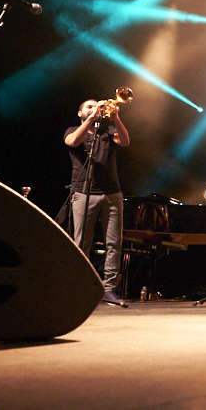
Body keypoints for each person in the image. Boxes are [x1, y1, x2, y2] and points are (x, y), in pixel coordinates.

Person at [65, 99, 130, 305]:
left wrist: (116, 117)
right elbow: (73, 142)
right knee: (82, 243)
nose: (94, 109)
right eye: (89, 107)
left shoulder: (108, 132)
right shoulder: (74, 129)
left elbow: (126, 141)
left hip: (112, 194)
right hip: (83, 193)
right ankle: (79, 285)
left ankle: (109, 288)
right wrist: (91, 120)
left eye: (96, 107)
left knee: (113, 243)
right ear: (80, 113)